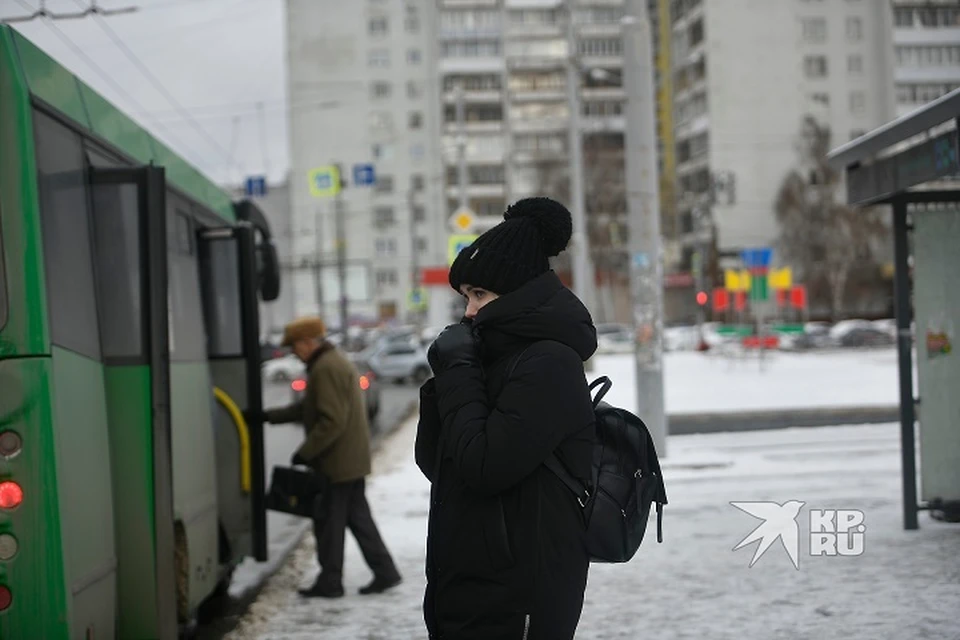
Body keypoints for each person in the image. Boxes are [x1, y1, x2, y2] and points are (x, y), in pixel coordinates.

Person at [415, 197, 598, 639]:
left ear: (517, 293)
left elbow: (484, 466)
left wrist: (459, 372)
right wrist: (450, 377)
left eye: (479, 294)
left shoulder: (549, 363)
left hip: (518, 596)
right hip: (471, 585)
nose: (469, 311)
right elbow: (435, 461)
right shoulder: (493, 360)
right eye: (465, 296)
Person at [264, 316, 402, 598]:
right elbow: (308, 409)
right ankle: (385, 572)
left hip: (336, 463)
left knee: (328, 523)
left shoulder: (325, 368)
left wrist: (305, 453)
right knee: (358, 519)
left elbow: (331, 421)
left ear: (307, 343)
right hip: (350, 460)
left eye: (295, 347)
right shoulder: (331, 362)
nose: (294, 353)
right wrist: (267, 417)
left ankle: (330, 582)